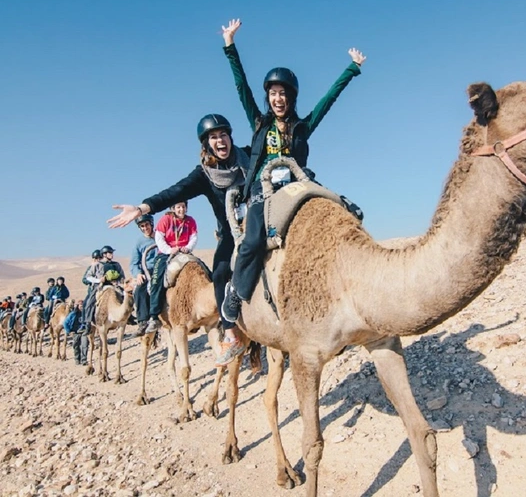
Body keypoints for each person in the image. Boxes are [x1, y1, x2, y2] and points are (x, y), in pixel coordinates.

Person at [216, 18, 366, 365]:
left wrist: (352, 69)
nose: (278, 98)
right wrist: (230, 47)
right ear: (268, 97)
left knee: (344, 212)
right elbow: (241, 89)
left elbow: (329, 100)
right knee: (253, 242)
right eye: (273, 93)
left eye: (283, 93)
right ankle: (236, 297)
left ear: (291, 97)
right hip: (262, 190)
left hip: (299, 184)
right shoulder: (259, 122)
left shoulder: (302, 127)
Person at [107, 112, 251, 365]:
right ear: (206, 144)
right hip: (230, 231)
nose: (220, 141)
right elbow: (175, 192)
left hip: (258, 222)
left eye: (223, 135)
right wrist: (142, 208)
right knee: (218, 274)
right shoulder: (204, 175)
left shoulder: (249, 157)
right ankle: (230, 333)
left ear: (230, 137)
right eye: (213, 137)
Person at [143, 201, 198, 334]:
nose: (181, 209)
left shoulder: (190, 221)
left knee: (206, 273)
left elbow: (193, 237)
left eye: (183, 206)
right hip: (166, 253)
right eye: (178, 207)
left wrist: (188, 247)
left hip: (184, 252)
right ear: (173, 208)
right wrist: (169, 250)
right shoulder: (166, 219)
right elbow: (159, 238)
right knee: (156, 281)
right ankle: (154, 317)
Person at [130, 213, 159, 336]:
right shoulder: (139, 243)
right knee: (140, 290)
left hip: (163, 265)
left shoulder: (160, 235)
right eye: (142, 226)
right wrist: (137, 274)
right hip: (147, 270)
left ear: (151, 224)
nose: (145, 228)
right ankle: (143, 321)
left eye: (146, 224)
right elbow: (134, 263)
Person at [62, 299, 86, 364]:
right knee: (76, 346)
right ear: (78, 306)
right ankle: (77, 359)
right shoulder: (73, 314)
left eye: (83, 306)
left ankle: (84, 360)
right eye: (80, 306)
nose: (82, 307)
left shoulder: (86, 313)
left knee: (84, 345)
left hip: (84, 331)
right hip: (75, 332)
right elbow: (65, 323)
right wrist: (69, 331)